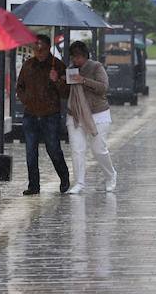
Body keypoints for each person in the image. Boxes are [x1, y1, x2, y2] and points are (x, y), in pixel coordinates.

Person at [16, 34, 70, 195]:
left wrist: (56, 80)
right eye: (36, 49)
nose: (39, 52)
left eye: (42, 49)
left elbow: (66, 92)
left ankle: (64, 176)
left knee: (53, 148)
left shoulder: (58, 66)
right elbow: (20, 87)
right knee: (30, 152)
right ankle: (34, 185)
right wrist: (27, 100)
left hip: (50, 115)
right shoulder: (28, 65)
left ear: (48, 49)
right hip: (31, 114)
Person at [60, 41, 117, 194]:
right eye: (73, 57)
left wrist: (84, 80)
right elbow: (65, 93)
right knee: (77, 150)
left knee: (98, 149)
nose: (76, 60)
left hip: (98, 113)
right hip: (75, 113)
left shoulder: (96, 67)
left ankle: (111, 175)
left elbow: (103, 88)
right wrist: (58, 80)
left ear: (85, 56)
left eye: (78, 57)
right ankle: (79, 182)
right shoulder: (70, 70)